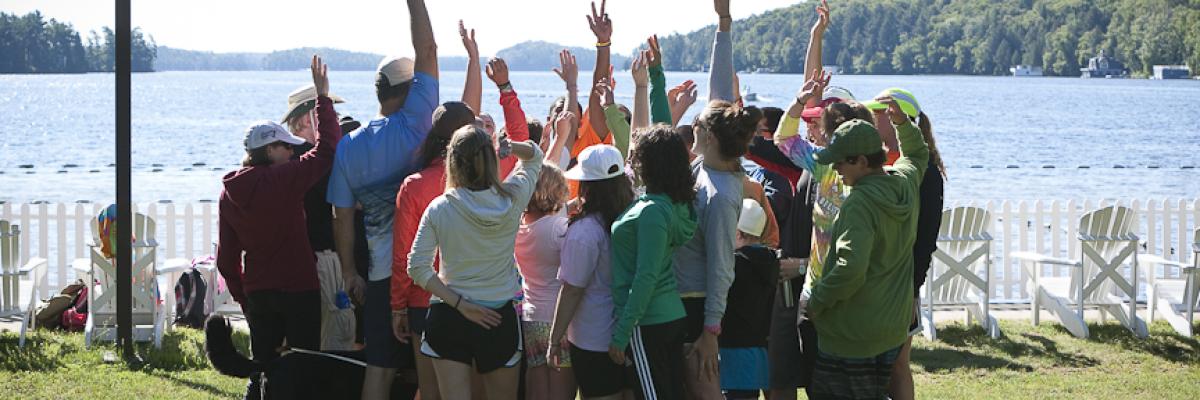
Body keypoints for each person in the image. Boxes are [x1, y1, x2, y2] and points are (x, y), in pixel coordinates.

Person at [326, 1, 438, 397]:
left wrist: (349, 272)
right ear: (411, 91)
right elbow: (428, 50)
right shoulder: (419, 122)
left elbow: (341, 217)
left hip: (377, 276)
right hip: (423, 272)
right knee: (430, 375)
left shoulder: (348, 147)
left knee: (379, 369)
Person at [217, 56, 338, 400]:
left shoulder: (228, 192)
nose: (292, 151)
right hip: (299, 290)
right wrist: (323, 98)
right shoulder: (284, 178)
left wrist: (245, 298)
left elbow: (226, 259)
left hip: (259, 294)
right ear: (270, 150)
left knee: (263, 371)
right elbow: (327, 149)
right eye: (286, 146)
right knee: (304, 369)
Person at [799, 97, 929, 400]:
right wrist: (902, 125)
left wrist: (816, 302)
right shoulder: (904, 183)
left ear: (860, 161)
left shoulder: (858, 203)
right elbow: (918, 155)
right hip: (891, 329)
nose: (835, 168)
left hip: (851, 334)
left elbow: (850, 268)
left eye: (841, 161)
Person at [407, 122, 543, 400]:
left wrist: (461, 305)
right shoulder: (513, 197)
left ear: (452, 162)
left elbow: (417, 267)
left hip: (449, 316)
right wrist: (507, 146)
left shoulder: (440, 207)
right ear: (491, 158)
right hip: (497, 318)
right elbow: (536, 156)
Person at [863, 88, 946, 400]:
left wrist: (912, 288)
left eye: (879, 111)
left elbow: (926, 239)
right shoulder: (873, 162)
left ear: (900, 118)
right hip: (869, 278)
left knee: (898, 362)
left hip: (901, 282)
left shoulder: (925, 172)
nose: (873, 116)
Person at [610, 126, 697, 400]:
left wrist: (623, 333)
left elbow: (646, 275)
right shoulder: (668, 203)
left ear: (651, 163)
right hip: (664, 316)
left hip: (647, 321)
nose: (631, 161)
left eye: (636, 156)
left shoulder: (653, 212)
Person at [547, 144, 636, 400]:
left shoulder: (584, 230)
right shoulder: (635, 215)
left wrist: (554, 339)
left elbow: (573, 289)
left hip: (593, 339)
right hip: (632, 333)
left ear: (587, 185)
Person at [280, 82, 357, 351]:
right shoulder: (311, 161)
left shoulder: (290, 160)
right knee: (335, 337)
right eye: (329, 116)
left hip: (304, 259)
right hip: (322, 258)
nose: (335, 121)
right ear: (308, 121)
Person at [514, 163, 576, 399]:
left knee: (537, 384)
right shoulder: (558, 228)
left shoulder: (520, 227)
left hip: (531, 317)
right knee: (561, 388)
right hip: (557, 319)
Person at [719, 199, 780, 399]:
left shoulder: (735, 265)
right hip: (758, 351)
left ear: (737, 233)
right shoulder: (770, 262)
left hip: (733, 351)